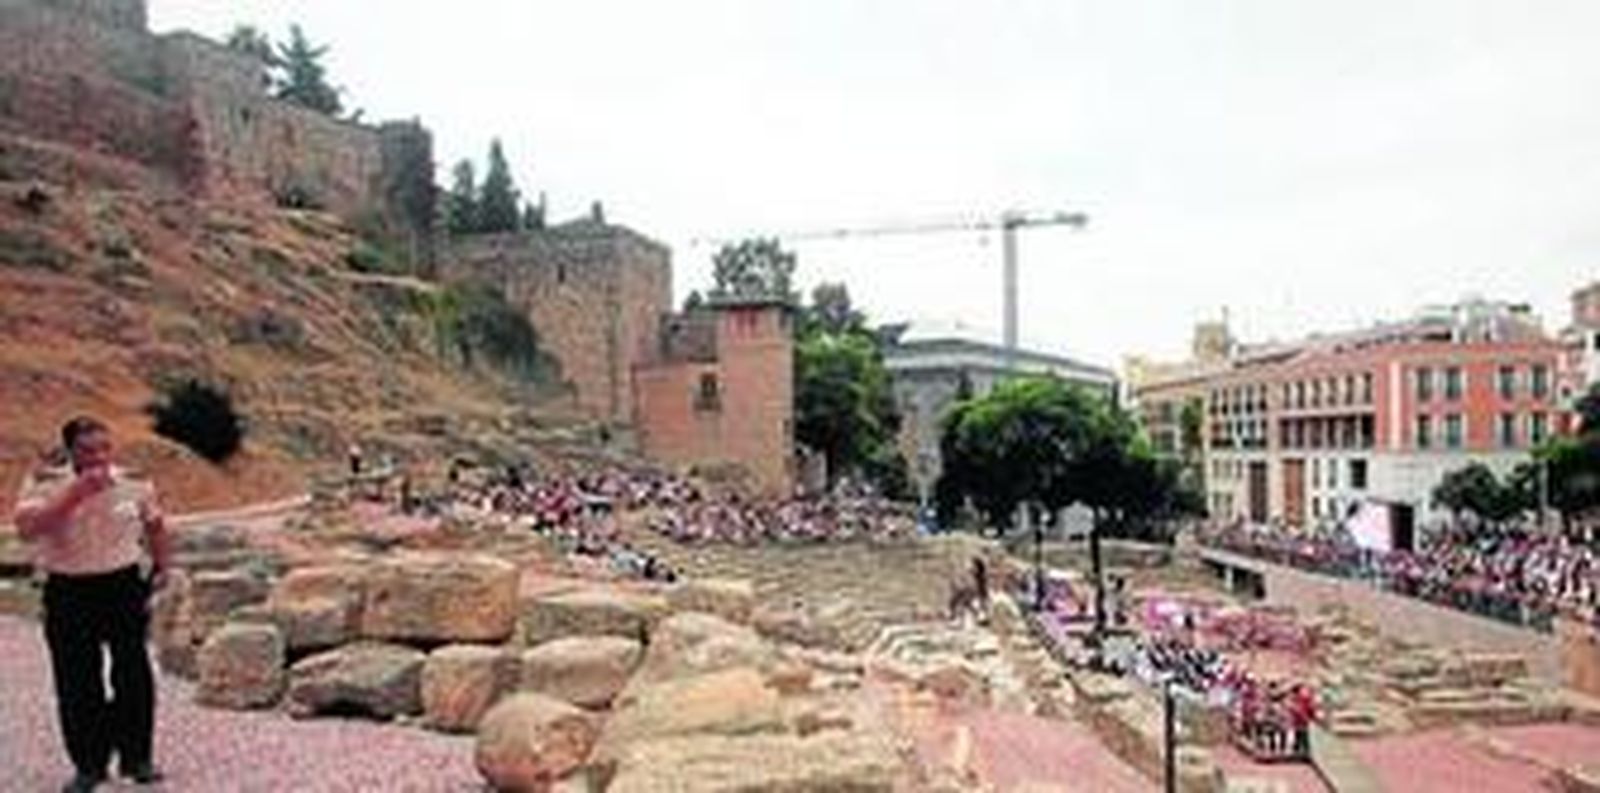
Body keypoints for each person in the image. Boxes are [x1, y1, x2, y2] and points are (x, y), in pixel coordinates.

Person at [13, 416, 172, 792]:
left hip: (121, 584)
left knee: (133, 672)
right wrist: (75, 494)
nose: (98, 457)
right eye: (88, 450)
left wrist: (164, 565)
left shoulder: (134, 481)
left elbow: (156, 525)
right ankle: (90, 765)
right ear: (70, 451)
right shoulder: (45, 482)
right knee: (77, 679)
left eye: (104, 448)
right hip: (69, 589)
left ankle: (137, 757)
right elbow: (28, 529)